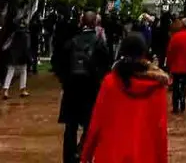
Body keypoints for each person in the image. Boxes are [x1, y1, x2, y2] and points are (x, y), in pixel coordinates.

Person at [81, 32, 168, 163]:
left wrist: (86, 155)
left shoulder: (109, 82)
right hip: (145, 155)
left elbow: (96, 122)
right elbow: (160, 130)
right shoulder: (157, 87)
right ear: (144, 53)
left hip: (110, 154)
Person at [55, 10, 111, 163]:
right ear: (95, 24)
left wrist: (65, 81)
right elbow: (106, 66)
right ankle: (83, 152)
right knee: (90, 124)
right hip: (91, 90)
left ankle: (69, 158)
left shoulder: (72, 41)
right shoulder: (100, 43)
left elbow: (60, 66)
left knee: (70, 127)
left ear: (81, 22)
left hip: (72, 89)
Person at [165, 17, 186, 114]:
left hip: (175, 66)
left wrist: (169, 64)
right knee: (184, 84)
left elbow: (170, 52)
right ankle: (183, 98)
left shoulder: (175, 37)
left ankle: (175, 106)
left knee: (175, 86)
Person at [1, 17, 31, 99]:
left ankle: (6, 91)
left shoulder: (13, 34)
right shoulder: (27, 34)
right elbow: (27, 47)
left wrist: (4, 49)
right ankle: (23, 90)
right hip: (22, 56)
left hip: (13, 55)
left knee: (10, 72)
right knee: (23, 71)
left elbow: (6, 45)